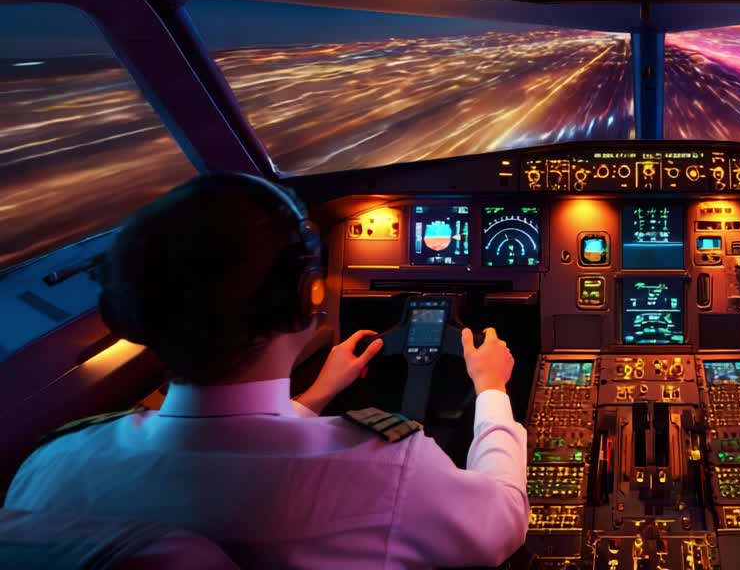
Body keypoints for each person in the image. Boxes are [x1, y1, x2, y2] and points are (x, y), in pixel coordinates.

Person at [3, 174, 529, 569]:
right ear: (307, 296)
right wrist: (491, 388)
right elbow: (502, 523)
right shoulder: (387, 469)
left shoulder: (50, 468)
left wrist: (319, 393)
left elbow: (237, 448)